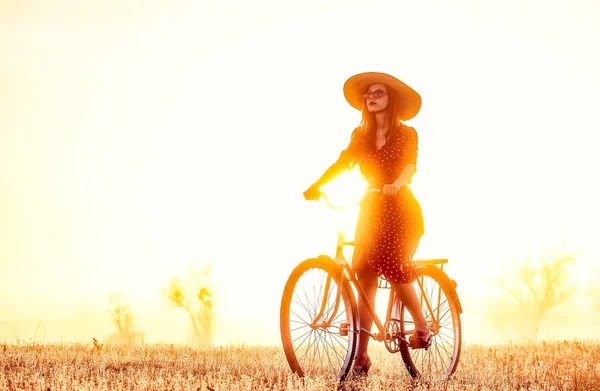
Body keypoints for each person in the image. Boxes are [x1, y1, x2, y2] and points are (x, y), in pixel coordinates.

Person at [303, 72, 432, 376]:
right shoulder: (360, 136)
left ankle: (422, 324)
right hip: (371, 209)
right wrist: (317, 185)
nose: (370, 97)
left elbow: (410, 165)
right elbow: (342, 161)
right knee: (362, 274)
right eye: (368, 94)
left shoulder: (406, 133)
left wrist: (397, 184)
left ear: (392, 100)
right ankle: (360, 357)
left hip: (401, 209)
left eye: (378, 93)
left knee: (388, 260)